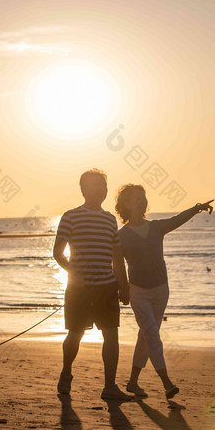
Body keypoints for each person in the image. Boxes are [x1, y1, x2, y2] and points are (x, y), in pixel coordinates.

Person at [114, 184, 213, 399]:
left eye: (143, 197)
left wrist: (196, 208)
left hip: (161, 290)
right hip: (138, 292)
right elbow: (118, 266)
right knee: (152, 334)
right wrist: (123, 289)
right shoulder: (120, 236)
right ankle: (167, 383)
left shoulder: (157, 227)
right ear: (126, 205)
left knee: (146, 335)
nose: (141, 201)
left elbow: (177, 219)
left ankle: (132, 382)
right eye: (137, 198)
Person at [53, 169, 132, 401]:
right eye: (96, 186)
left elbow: (117, 257)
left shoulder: (109, 220)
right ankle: (66, 372)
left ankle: (109, 386)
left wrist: (123, 285)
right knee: (75, 334)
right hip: (79, 288)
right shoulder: (70, 216)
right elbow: (57, 253)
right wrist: (73, 271)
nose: (101, 190)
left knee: (111, 336)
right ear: (84, 189)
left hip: (107, 287)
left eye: (104, 187)